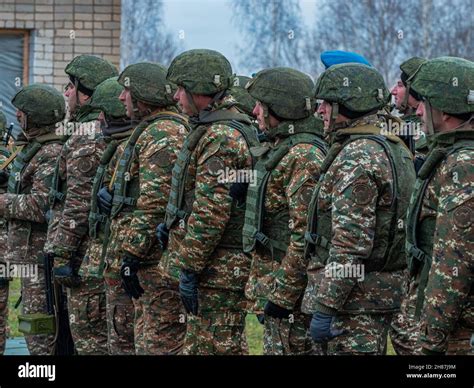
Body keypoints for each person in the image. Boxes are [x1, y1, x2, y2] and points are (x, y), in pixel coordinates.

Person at [303, 63, 416, 355]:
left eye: (327, 104)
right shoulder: (391, 145)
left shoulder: (359, 155)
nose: (320, 112)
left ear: (346, 106)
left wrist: (327, 306)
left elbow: (351, 243)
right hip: (374, 296)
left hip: (352, 306)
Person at [158, 49, 258, 355]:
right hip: (214, 267)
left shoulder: (222, 137)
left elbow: (211, 212)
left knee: (215, 348)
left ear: (199, 91)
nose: (176, 97)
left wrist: (188, 268)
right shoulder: (213, 129)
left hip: (219, 271)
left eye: (180, 89)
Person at [242, 67, 327, 355]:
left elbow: (304, 236)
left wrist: (282, 295)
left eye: (261, 106)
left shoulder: (303, 156)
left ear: (279, 109)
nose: (254, 112)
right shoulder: (285, 149)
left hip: (293, 299)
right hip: (279, 288)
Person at [45, 54, 118, 355]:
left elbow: (78, 201)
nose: (66, 93)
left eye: (70, 86)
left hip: (82, 256)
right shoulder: (91, 130)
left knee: (88, 341)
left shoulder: (86, 136)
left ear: (86, 93)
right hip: (89, 253)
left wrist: (62, 253)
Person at [405, 56, 474, 355]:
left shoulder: (463, 163)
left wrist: (430, 341)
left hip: (456, 332)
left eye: (425, 103)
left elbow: (454, 262)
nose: (418, 110)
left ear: (444, 109)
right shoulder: (456, 156)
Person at [0, 84, 65, 354]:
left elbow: (41, 206)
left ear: (34, 116)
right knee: (31, 323)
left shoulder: (49, 153)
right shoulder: (32, 148)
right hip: (27, 254)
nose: (16, 116)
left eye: (22, 112)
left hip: (40, 256)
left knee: (39, 329)